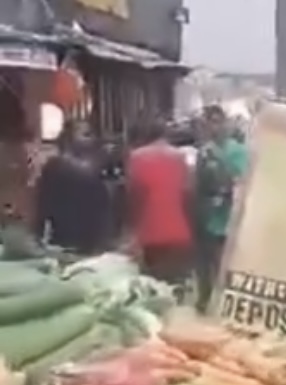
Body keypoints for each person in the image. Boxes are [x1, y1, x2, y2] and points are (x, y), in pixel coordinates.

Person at [193, 106, 248, 312]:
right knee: (205, 266)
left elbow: (243, 182)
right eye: (209, 123)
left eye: (217, 122)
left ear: (225, 123)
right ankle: (205, 300)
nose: (213, 127)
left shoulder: (238, 151)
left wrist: (226, 193)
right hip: (206, 219)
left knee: (225, 267)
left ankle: (226, 305)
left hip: (229, 219)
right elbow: (197, 184)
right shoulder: (203, 151)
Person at [126, 119, 192, 288]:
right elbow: (188, 194)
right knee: (175, 287)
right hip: (179, 232)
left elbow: (135, 197)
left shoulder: (136, 157)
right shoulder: (180, 157)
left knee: (153, 288)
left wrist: (134, 232)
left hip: (150, 233)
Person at [34, 121, 110, 256]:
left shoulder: (54, 166)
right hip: (73, 239)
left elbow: (42, 203)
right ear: (69, 138)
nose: (92, 139)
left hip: (70, 239)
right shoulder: (61, 166)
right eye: (85, 135)